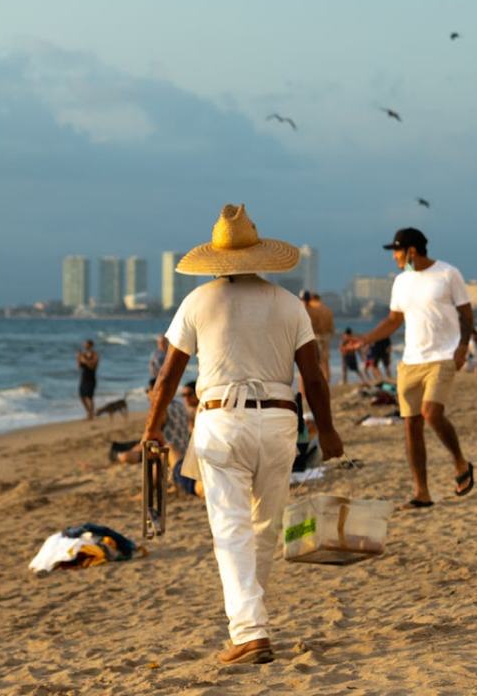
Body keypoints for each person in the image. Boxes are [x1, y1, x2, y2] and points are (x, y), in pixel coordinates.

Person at [143, 204, 343, 666]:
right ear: (258, 255)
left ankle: (250, 631)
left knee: (230, 529)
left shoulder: (198, 302)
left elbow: (168, 379)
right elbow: (313, 379)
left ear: (216, 258)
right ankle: (254, 622)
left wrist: (152, 427)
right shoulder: (289, 304)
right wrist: (327, 431)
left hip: (222, 421)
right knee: (265, 526)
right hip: (278, 421)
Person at [343, 228, 474, 509]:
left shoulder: (448, 274)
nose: (394, 257)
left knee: (431, 413)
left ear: (412, 251)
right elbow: (393, 320)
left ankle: (460, 461)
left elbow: (466, 314)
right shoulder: (401, 282)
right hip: (411, 361)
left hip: (443, 356)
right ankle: (422, 492)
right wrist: (365, 339)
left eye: (397, 251)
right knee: (411, 425)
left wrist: (462, 347)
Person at [301, 291, 335, 380]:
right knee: (325, 361)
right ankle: (327, 381)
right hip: (326, 337)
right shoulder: (327, 309)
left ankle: (318, 383)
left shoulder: (312, 308)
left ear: (312, 299)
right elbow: (332, 328)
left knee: (315, 362)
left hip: (316, 337)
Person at [76, 339, 99, 420]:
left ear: (90, 345)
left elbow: (93, 367)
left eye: (86, 344)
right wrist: (78, 358)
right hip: (83, 378)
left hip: (91, 378)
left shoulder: (95, 354)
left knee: (90, 397)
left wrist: (85, 361)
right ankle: (89, 412)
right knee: (82, 396)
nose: (84, 345)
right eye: (84, 344)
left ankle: (91, 415)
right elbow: (78, 367)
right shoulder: (83, 354)